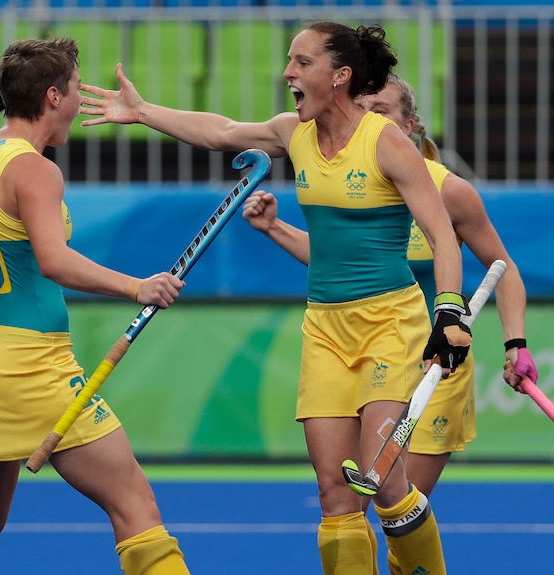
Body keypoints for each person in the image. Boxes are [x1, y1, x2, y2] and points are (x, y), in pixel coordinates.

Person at [81, 22, 472, 575]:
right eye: (289, 61)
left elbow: (441, 236)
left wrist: (449, 311)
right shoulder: (295, 133)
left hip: (391, 322)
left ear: (340, 76)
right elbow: (220, 131)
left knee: (384, 480)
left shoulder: (386, 142)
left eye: (302, 62)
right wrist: (144, 113)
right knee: (336, 494)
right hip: (325, 328)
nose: (287, 72)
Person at [0, 37, 189, 575]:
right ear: (54, 96)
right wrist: (138, 287)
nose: (83, 99)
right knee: (136, 506)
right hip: (33, 365)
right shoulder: (36, 170)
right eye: (78, 88)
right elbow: (54, 262)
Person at [237, 73, 540, 574]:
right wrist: (274, 228)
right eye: (365, 109)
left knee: (392, 498)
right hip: (375, 355)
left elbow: (502, 271)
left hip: (435, 367)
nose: (370, 120)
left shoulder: (450, 192)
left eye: (383, 111)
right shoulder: (359, 184)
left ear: (411, 125)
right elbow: (333, 260)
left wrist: (517, 343)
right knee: (348, 502)